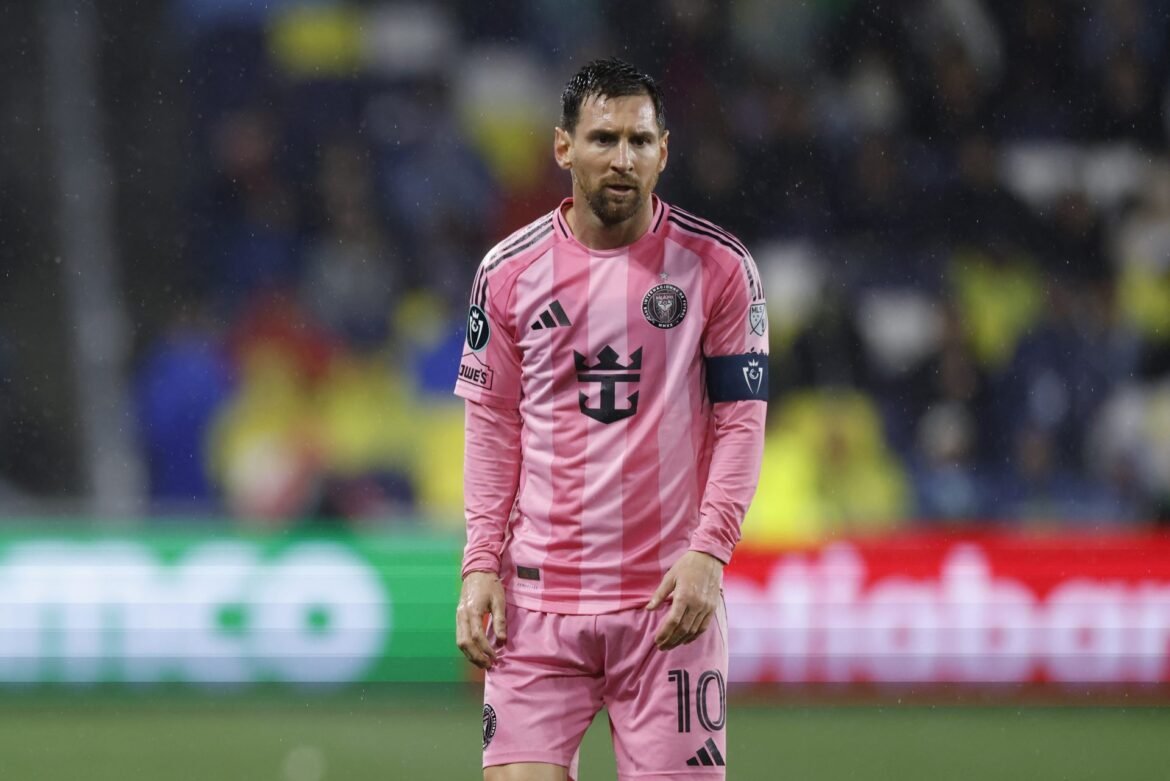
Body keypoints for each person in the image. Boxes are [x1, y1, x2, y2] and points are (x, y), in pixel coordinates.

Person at [453, 58, 768, 781]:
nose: (623, 158)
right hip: (537, 606)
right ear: (563, 147)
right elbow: (493, 426)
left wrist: (710, 553)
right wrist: (480, 564)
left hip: (667, 604)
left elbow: (741, 423)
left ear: (665, 151)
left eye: (639, 140)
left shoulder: (719, 268)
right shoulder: (507, 272)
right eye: (603, 139)